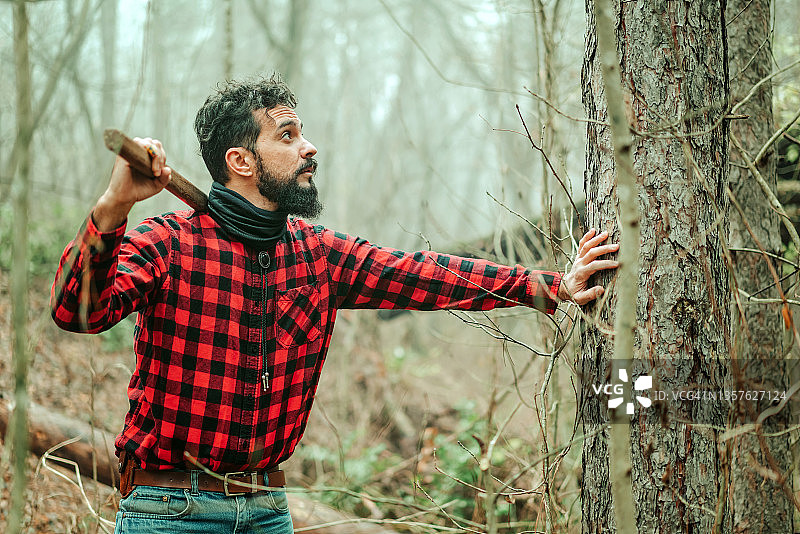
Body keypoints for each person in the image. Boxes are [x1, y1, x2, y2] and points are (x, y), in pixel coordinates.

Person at [51, 74, 619, 533]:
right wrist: (113, 205)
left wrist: (550, 287)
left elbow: (427, 275)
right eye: (288, 135)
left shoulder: (318, 256)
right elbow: (77, 311)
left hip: (267, 508)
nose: (309, 146)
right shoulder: (169, 244)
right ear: (241, 161)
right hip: (168, 512)